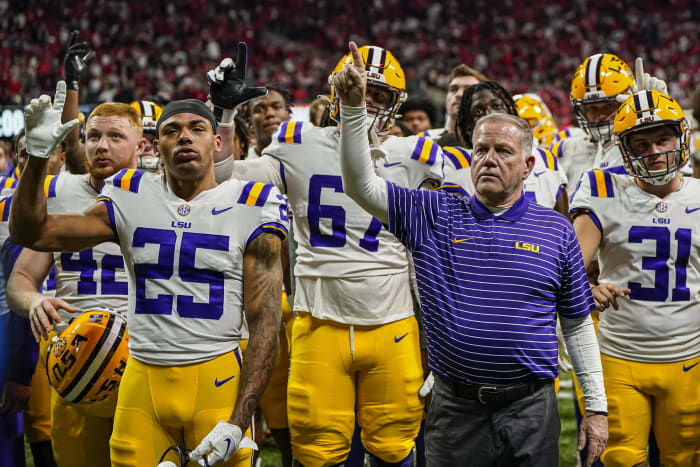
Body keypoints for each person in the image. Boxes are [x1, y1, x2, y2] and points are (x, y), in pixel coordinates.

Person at [334, 41, 608, 467]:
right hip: (455, 407)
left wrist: (596, 407)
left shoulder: (556, 230)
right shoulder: (433, 211)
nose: (489, 160)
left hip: (531, 407)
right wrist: (353, 111)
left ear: (528, 165)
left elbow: (576, 325)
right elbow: (360, 186)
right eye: (482, 150)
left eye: (503, 151)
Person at [10, 82, 287, 466]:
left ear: (218, 144)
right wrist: (38, 158)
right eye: (172, 130)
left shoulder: (252, 201)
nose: (184, 136)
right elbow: (32, 233)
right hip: (141, 378)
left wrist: (239, 422)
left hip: (216, 375)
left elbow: (266, 323)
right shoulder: (129, 192)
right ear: (157, 147)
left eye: (197, 128)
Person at [224, 44, 444, 467]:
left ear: (395, 104)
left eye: (379, 95)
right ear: (336, 90)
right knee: (316, 449)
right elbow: (222, 179)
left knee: (395, 447)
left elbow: (431, 252)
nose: (367, 101)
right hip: (318, 319)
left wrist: (440, 336)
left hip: (392, 321)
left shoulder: (416, 155)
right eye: (360, 90)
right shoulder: (294, 144)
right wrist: (223, 116)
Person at [7, 100, 142, 466]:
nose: (102, 146)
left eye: (115, 136)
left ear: (141, 145)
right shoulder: (59, 190)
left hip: (143, 360)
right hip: (75, 360)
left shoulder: (158, 193)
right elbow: (20, 279)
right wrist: (34, 301)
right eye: (93, 136)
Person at [570, 89, 700, 466]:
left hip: (689, 356)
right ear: (625, 151)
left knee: (686, 459)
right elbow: (570, 267)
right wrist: (587, 289)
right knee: (619, 458)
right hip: (618, 355)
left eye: (663, 139)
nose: (655, 150)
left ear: (681, 137)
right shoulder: (602, 189)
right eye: (641, 143)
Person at [450, 80, 569, 218]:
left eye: (497, 105)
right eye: (478, 111)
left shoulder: (546, 159)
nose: (490, 114)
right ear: (469, 128)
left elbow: (563, 224)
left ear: (510, 110)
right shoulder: (456, 164)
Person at [421, 64, 487, 144]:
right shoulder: (423, 140)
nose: (459, 94)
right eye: (454, 89)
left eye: (469, 90)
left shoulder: (495, 146)